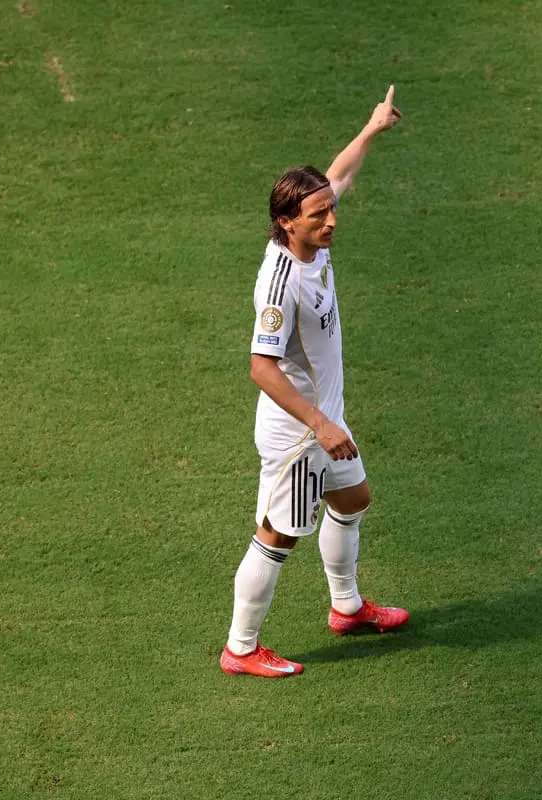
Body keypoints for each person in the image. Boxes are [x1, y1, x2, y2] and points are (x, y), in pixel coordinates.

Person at [221, 86, 408, 678]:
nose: (332, 219)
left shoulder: (312, 236)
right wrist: (322, 425)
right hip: (301, 432)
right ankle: (241, 649)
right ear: (286, 223)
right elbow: (261, 367)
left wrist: (372, 127)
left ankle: (346, 609)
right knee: (277, 536)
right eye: (318, 214)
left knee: (353, 500)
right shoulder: (280, 286)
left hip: (325, 420)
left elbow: (340, 173)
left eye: (330, 208)